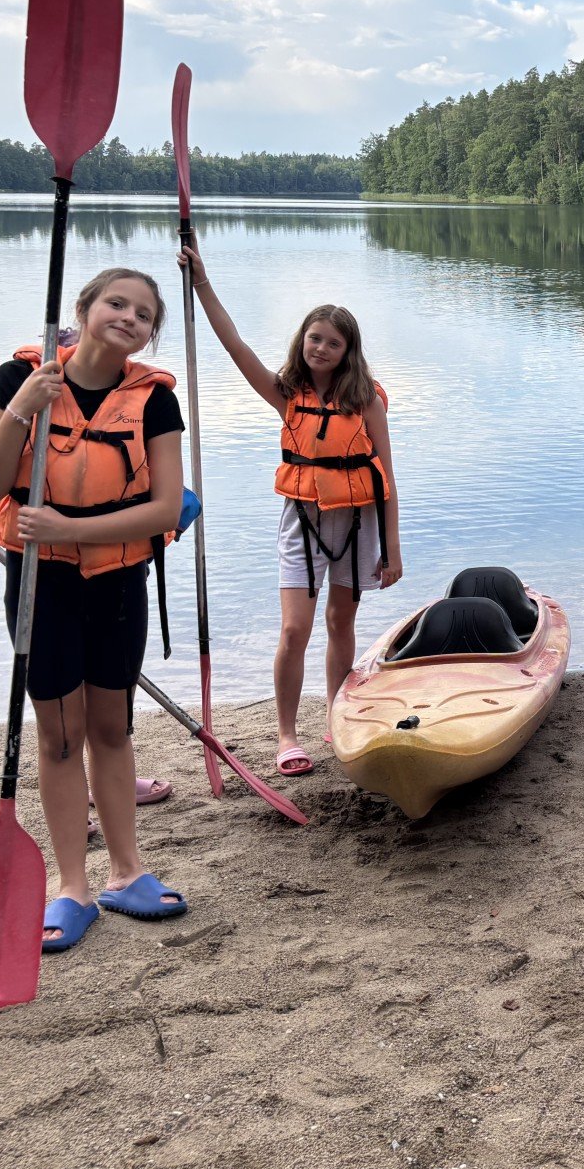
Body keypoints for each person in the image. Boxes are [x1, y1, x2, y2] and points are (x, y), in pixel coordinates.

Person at [0, 268, 189, 952]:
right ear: (85, 309)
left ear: (150, 333)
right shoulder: (21, 377)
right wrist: (22, 407)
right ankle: (73, 888)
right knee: (60, 736)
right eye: (116, 304)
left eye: (143, 314)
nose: (128, 318)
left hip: (118, 582)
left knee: (112, 729)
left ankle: (127, 871)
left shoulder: (154, 402)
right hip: (42, 582)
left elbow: (165, 508)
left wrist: (71, 528)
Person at [182, 244, 402, 776]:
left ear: (348, 351)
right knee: (293, 630)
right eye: (314, 338)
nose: (321, 348)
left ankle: (336, 718)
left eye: (333, 342)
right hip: (301, 522)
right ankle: (286, 735)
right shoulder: (285, 394)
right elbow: (235, 345)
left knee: (341, 622)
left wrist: (393, 551)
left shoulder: (366, 400)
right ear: (302, 341)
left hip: (357, 523)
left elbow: (388, 481)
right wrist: (202, 283)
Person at [0, 467, 183, 811]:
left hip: (115, 579)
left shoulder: (124, 439)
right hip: (49, 584)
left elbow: (166, 499)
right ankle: (76, 795)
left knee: (109, 714)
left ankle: (107, 778)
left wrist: (176, 507)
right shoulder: (35, 446)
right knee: (62, 719)